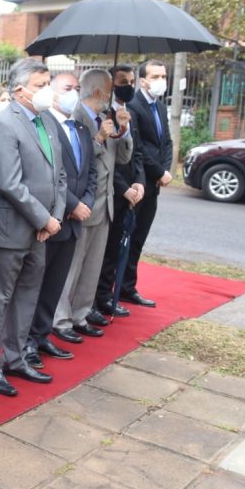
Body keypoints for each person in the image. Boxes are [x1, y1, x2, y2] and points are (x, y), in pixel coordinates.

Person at [0, 58, 66, 396]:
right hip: (9, 229)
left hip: (41, 230)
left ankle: (15, 359)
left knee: (27, 296)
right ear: (19, 90)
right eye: (40, 85)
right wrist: (44, 218)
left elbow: (59, 175)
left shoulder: (47, 121)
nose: (47, 91)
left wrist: (54, 217)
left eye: (48, 83)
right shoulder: (4, 124)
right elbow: (9, 183)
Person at [52, 69, 133, 344]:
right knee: (71, 268)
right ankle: (60, 319)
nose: (114, 95)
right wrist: (98, 138)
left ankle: (80, 314)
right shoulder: (76, 117)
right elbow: (78, 161)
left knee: (92, 267)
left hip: (105, 203)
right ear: (99, 91)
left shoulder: (106, 118)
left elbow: (122, 159)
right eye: (110, 89)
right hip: (84, 203)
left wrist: (123, 131)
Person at [23, 72, 95, 368]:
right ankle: (25, 341)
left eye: (77, 88)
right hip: (50, 219)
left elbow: (90, 172)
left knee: (55, 284)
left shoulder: (81, 128)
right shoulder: (43, 124)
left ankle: (42, 335)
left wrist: (86, 203)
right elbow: (50, 176)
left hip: (74, 223)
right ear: (52, 91)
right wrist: (72, 205)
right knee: (35, 285)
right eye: (67, 88)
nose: (73, 93)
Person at [94, 65, 146, 319]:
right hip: (111, 191)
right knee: (103, 250)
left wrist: (139, 182)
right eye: (123, 81)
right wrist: (123, 188)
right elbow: (105, 161)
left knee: (117, 247)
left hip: (131, 190)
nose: (129, 86)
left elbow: (136, 153)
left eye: (132, 81)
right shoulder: (103, 115)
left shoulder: (129, 114)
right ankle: (98, 297)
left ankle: (107, 294)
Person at [121, 59, 173, 308]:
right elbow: (139, 148)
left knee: (139, 238)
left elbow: (166, 142)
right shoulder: (133, 106)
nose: (161, 81)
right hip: (139, 180)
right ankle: (116, 287)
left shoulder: (160, 107)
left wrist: (166, 169)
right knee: (127, 237)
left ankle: (127, 287)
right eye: (155, 77)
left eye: (163, 76)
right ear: (143, 81)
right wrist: (159, 171)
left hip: (154, 184)